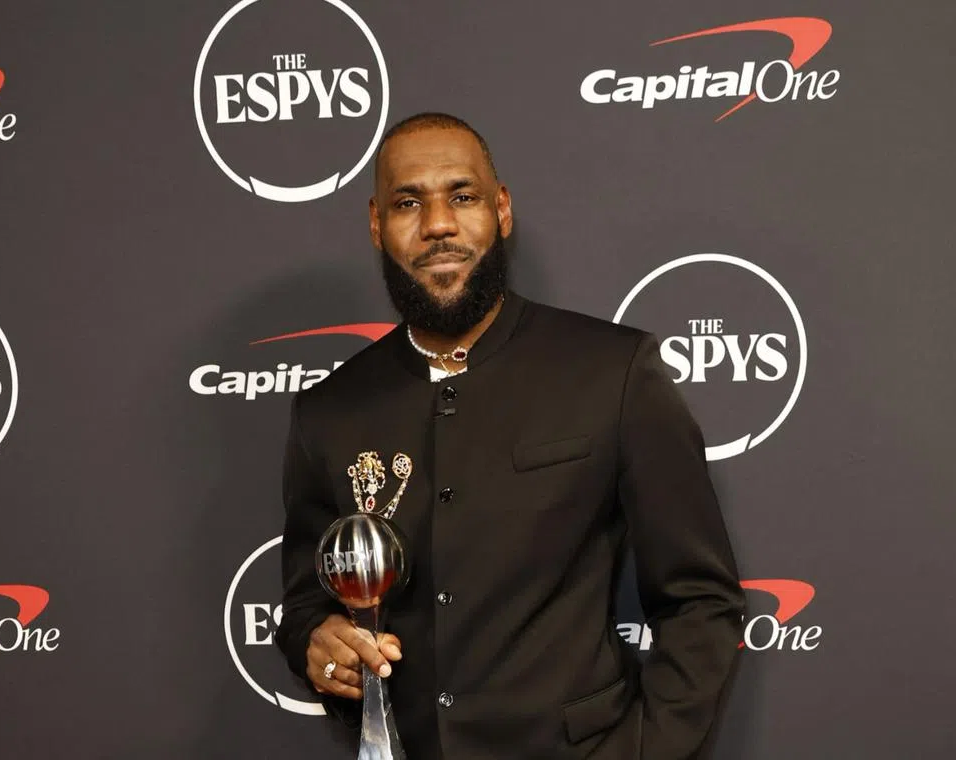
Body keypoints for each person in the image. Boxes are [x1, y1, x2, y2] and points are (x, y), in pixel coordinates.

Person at [276, 112, 745, 760]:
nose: (438, 224)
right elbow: (305, 602)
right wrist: (317, 644)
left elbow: (701, 601)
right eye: (408, 202)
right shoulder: (328, 411)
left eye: (461, 196)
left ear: (501, 209)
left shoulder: (613, 373)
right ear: (377, 224)